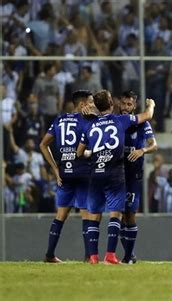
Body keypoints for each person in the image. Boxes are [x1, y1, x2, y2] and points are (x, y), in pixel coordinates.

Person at [76, 90, 155, 264]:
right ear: (113, 104)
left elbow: (80, 152)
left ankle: (94, 256)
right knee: (116, 214)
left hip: (96, 173)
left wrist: (93, 153)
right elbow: (148, 115)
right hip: (115, 173)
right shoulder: (121, 120)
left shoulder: (89, 124)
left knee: (94, 215)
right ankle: (110, 255)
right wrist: (152, 105)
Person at [39, 90, 95, 263]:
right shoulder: (87, 121)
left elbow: (43, 144)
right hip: (82, 172)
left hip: (64, 174)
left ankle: (49, 254)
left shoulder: (60, 120)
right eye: (91, 102)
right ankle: (88, 256)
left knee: (61, 214)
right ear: (82, 105)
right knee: (86, 214)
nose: (93, 106)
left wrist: (55, 169)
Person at [119, 91, 158, 264]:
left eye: (129, 104)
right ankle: (130, 255)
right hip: (117, 175)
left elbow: (154, 145)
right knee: (118, 216)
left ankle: (128, 256)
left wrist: (142, 150)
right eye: (124, 103)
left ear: (134, 106)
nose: (126, 107)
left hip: (134, 176)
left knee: (131, 215)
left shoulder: (142, 124)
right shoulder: (116, 121)